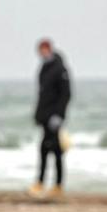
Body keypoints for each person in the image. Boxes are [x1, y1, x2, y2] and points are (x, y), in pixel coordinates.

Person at [28, 38, 72, 200]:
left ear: (50, 49)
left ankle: (58, 185)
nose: (42, 53)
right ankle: (40, 183)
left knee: (57, 151)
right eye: (40, 51)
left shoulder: (60, 69)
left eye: (44, 50)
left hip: (54, 117)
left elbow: (66, 94)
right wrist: (38, 116)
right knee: (44, 150)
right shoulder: (43, 68)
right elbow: (42, 95)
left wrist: (59, 115)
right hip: (44, 117)